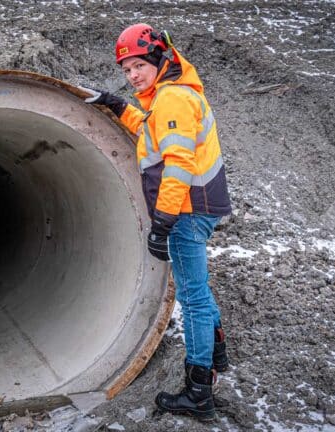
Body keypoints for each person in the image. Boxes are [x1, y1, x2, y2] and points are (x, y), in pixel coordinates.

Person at [80, 23, 232, 421]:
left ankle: (199, 390)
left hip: (184, 212)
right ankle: (218, 354)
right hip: (199, 209)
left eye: (138, 65)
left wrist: (163, 221)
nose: (132, 75)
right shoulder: (172, 96)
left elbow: (178, 164)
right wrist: (116, 105)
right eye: (126, 69)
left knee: (193, 298)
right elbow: (151, 133)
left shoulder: (172, 100)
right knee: (199, 287)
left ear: (160, 58)